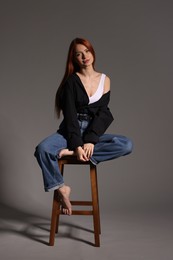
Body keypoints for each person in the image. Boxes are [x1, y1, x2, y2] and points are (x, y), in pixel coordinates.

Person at [34, 37, 133, 216]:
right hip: (70, 131)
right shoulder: (71, 82)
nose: (84, 56)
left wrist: (90, 141)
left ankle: (71, 153)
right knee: (42, 149)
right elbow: (70, 117)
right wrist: (77, 145)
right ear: (74, 59)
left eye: (86, 51)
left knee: (126, 144)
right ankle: (61, 188)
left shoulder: (105, 80)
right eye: (78, 54)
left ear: (92, 52)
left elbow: (103, 113)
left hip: (91, 131)